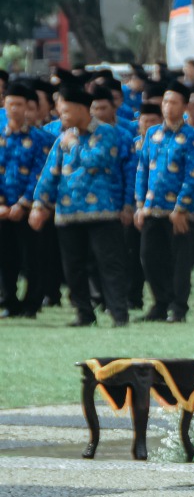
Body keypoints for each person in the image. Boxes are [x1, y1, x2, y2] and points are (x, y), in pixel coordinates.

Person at [29, 85, 132, 327]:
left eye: (65, 111)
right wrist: (39, 204)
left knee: (109, 264)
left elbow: (98, 160)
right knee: (73, 267)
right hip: (68, 212)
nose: (61, 116)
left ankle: (119, 314)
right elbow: (49, 173)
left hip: (102, 213)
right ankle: (84, 314)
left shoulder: (107, 133)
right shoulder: (63, 138)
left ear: (80, 109)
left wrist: (74, 145)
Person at [133, 84, 194, 322]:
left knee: (179, 261)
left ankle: (178, 307)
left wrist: (181, 208)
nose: (167, 107)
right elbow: (143, 169)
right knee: (149, 257)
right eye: (165, 102)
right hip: (152, 208)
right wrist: (140, 204)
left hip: (178, 212)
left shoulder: (192, 137)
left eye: (173, 102)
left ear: (184, 107)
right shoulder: (152, 134)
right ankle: (160, 302)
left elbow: (193, 175)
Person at [1, 82, 49, 317]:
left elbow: (40, 173)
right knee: (5, 257)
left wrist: (23, 203)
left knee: (33, 258)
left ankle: (32, 304)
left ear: (27, 107)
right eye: (10, 104)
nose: (15, 109)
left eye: (19, 104)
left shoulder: (40, 139)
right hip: (2, 209)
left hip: (29, 209)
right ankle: (8, 301)